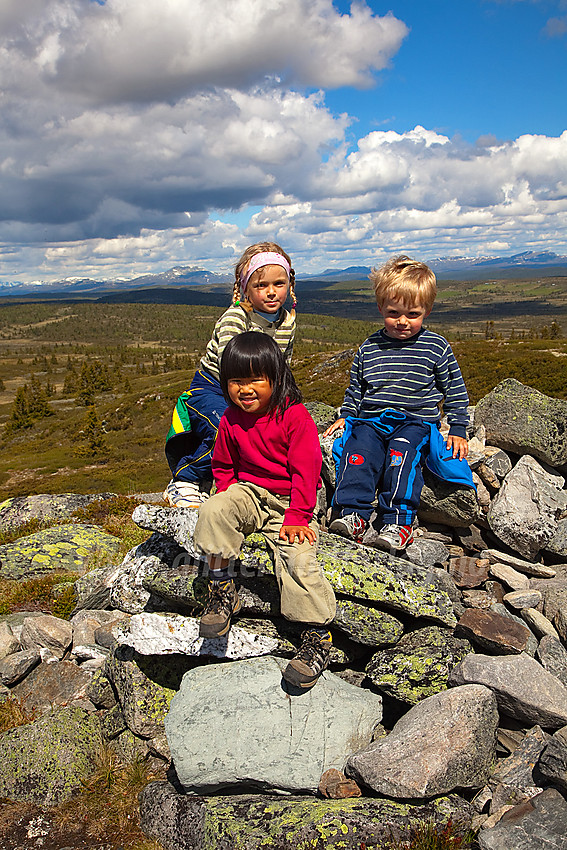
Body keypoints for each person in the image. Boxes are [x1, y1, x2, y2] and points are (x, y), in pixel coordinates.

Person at [193, 332, 336, 689]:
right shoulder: (229, 419)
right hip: (250, 493)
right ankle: (222, 587)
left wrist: (299, 518)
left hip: (289, 501)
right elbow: (223, 466)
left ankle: (317, 637)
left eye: (256, 379)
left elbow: (307, 471)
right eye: (235, 381)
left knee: (297, 557)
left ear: (277, 377)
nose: (245, 389)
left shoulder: (295, 417)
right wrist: (228, 498)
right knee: (213, 510)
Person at [325, 255, 470, 553]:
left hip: (416, 422)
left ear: (426, 310)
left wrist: (457, 426)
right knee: (358, 452)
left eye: (413, 314)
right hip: (371, 421)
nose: (403, 321)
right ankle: (352, 515)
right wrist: (347, 415)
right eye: (393, 312)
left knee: (402, 454)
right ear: (380, 308)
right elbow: (357, 387)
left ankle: (398, 522)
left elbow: (454, 388)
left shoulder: (436, 346)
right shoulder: (369, 347)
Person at [164, 242, 297, 508]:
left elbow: (283, 367)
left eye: (279, 284)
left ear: (289, 285)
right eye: (261, 285)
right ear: (245, 287)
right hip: (213, 388)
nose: (271, 292)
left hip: (257, 391)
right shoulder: (236, 318)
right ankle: (185, 479)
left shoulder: (287, 321)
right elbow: (231, 367)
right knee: (225, 429)